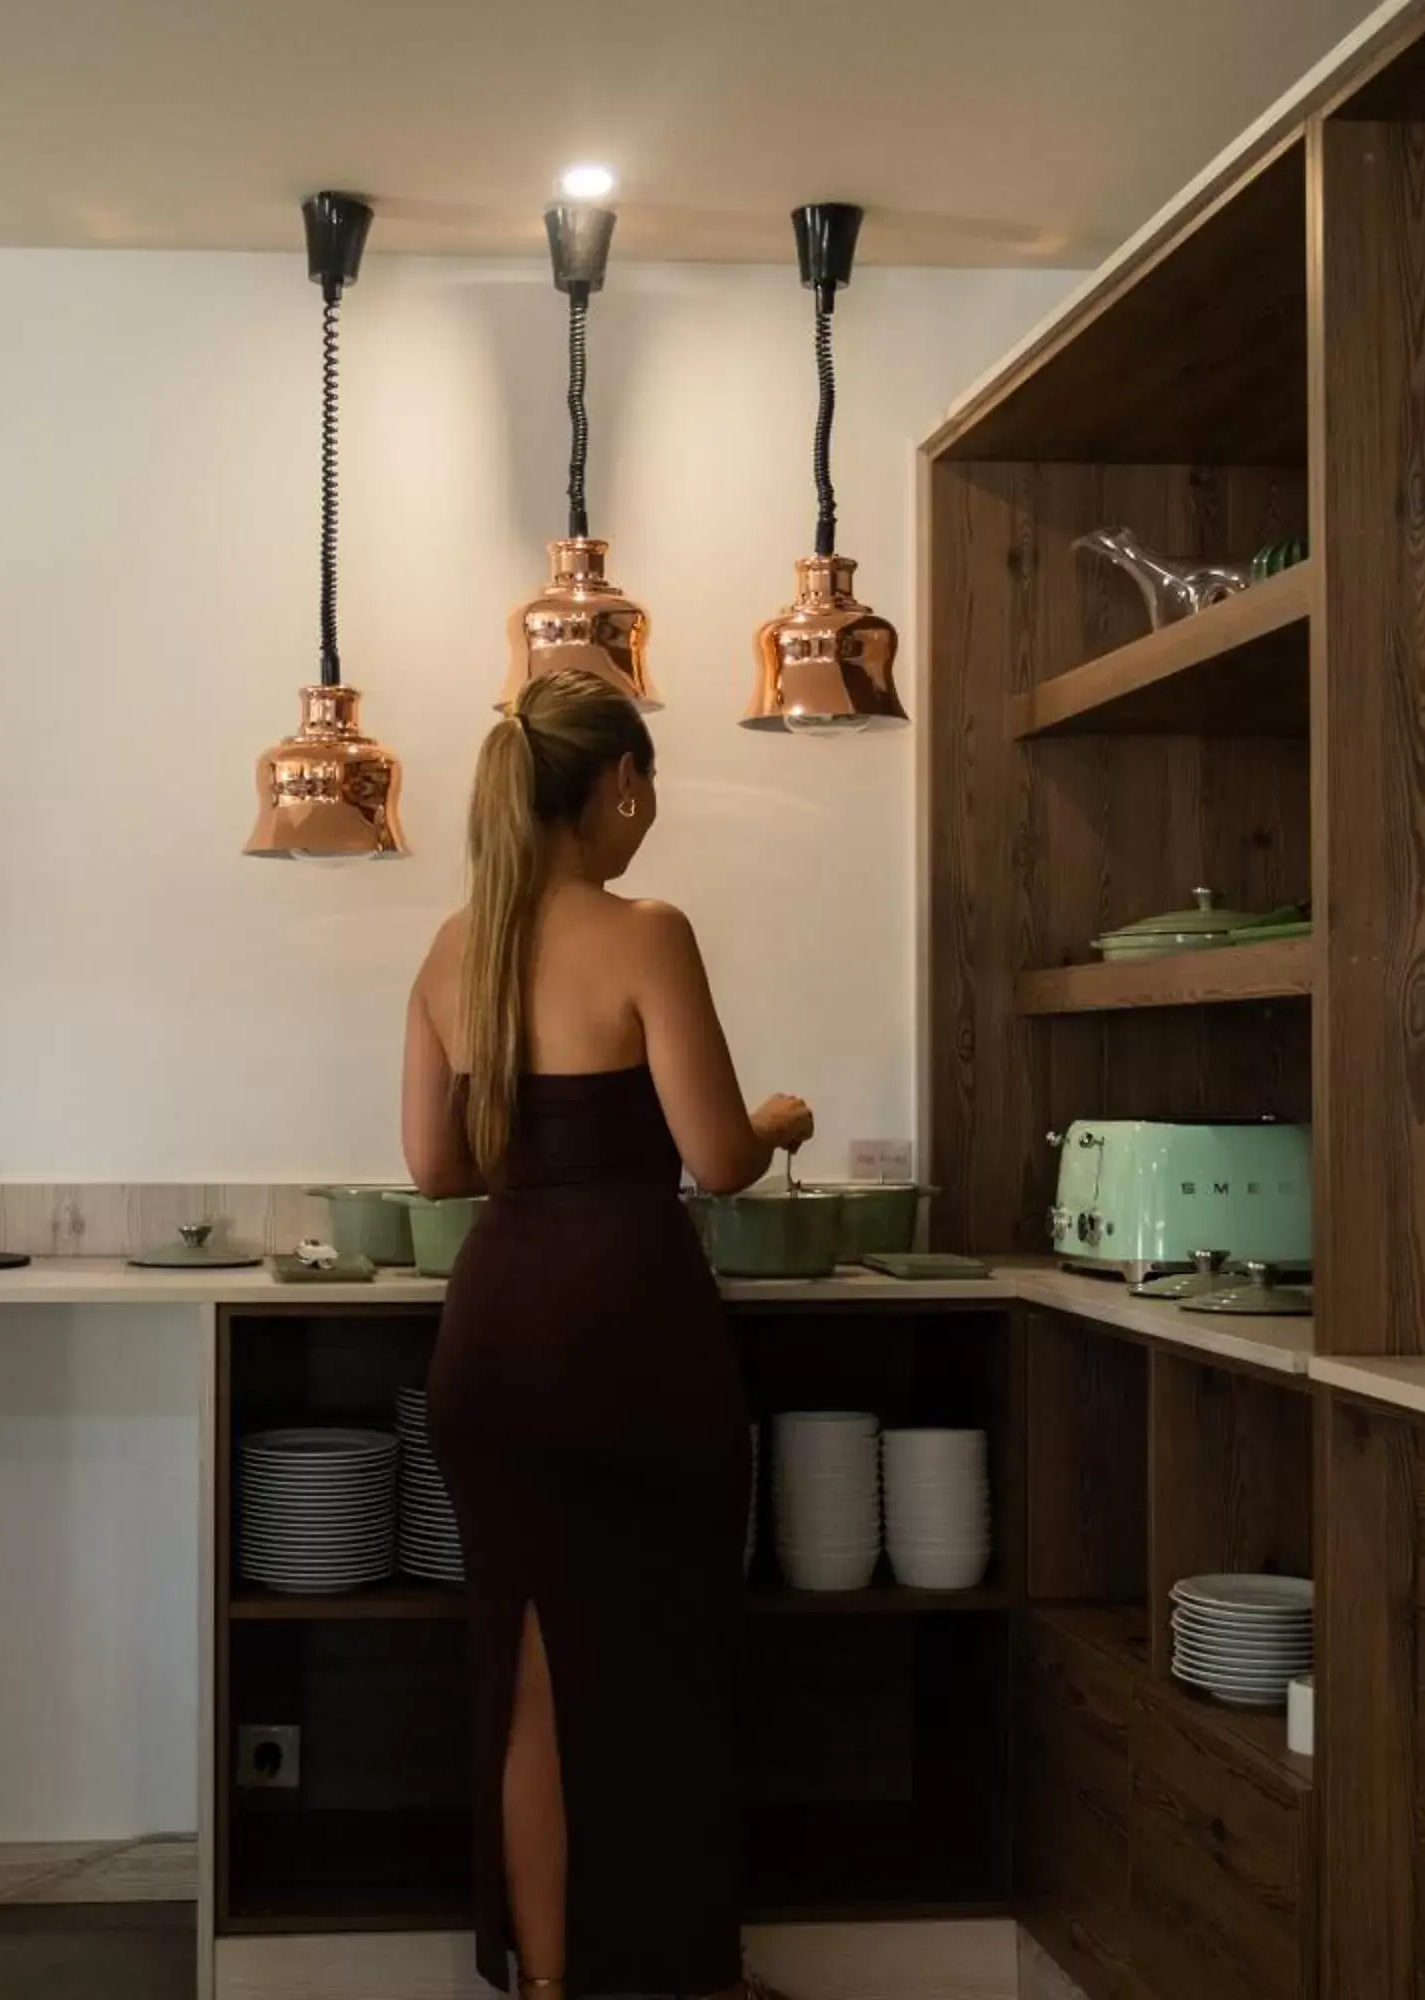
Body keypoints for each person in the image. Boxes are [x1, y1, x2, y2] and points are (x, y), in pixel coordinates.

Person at [404, 666, 815, 2000]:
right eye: (650, 792)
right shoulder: (649, 932)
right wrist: (782, 1121)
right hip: (633, 1340)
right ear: (621, 788)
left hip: (498, 1339)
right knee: (664, 1671)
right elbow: (720, 1159)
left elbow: (434, 1172)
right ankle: (681, 1976)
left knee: (528, 1680)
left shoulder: (454, 949)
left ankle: (554, 1983)